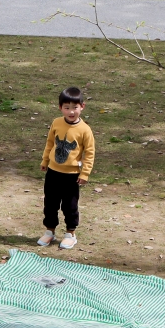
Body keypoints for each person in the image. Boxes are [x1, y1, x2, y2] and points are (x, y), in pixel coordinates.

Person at [38, 86, 96, 250]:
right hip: (53, 172)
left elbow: (89, 153)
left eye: (75, 107)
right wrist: (45, 160)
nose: (71, 112)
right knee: (50, 204)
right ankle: (49, 231)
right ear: (60, 107)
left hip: (71, 175)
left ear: (82, 107)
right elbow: (50, 143)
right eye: (67, 107)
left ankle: (70, 234)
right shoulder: (56, 123)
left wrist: (85, 173)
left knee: (70, 206)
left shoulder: (85, 130)